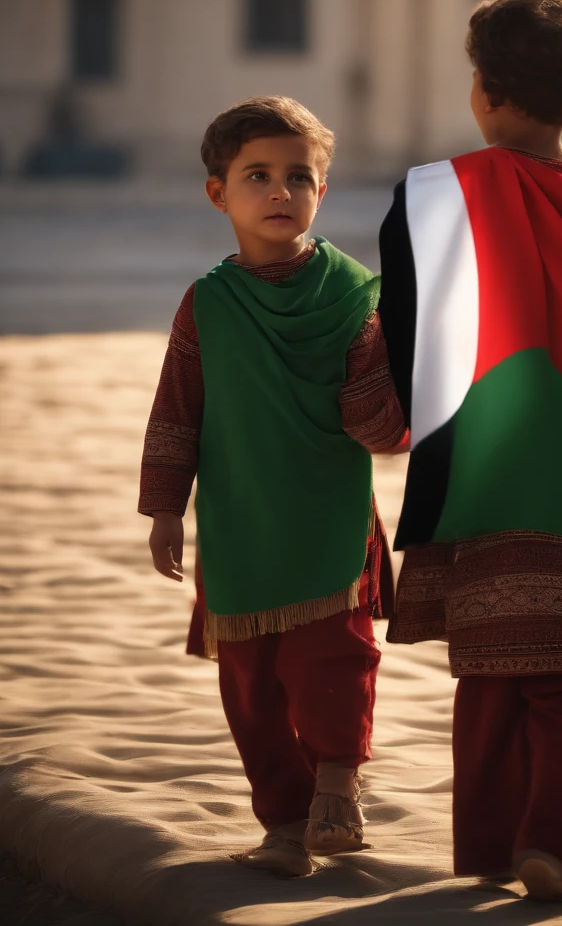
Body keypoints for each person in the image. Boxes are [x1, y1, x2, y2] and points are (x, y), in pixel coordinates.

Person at [378, 0, 562, 903]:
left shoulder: (445, 190)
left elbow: (409, 322)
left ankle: (498, 847)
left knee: (495, 670)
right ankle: (557, 845)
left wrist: (392, 420)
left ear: (487, 94)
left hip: (487, 478)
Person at [138, 96, 403, 878]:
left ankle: (337, 787)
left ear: (324, 188)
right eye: (259, 176)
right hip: (238, 524)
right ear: (218, 191)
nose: (281, 192)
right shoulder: (208, 305)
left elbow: (380, 428)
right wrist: (163, 510)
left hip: (329, 519)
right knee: (249, 687)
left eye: (300, 177)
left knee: (335, 661)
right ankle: (285, 827)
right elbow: (177, 412)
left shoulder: (358, 297)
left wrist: (386, 360)